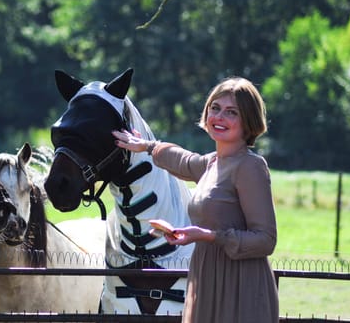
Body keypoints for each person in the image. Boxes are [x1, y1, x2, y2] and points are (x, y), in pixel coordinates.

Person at [112, 77, 279, 323]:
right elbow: (183, 161)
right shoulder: (213, 163)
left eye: (231, 112)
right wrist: (146, 146)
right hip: (207, 278)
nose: (219, 117)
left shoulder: (250, 166)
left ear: (248, 121)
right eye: (215, 108)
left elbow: (266, 240)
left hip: (240, 286)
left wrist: (208, 235)